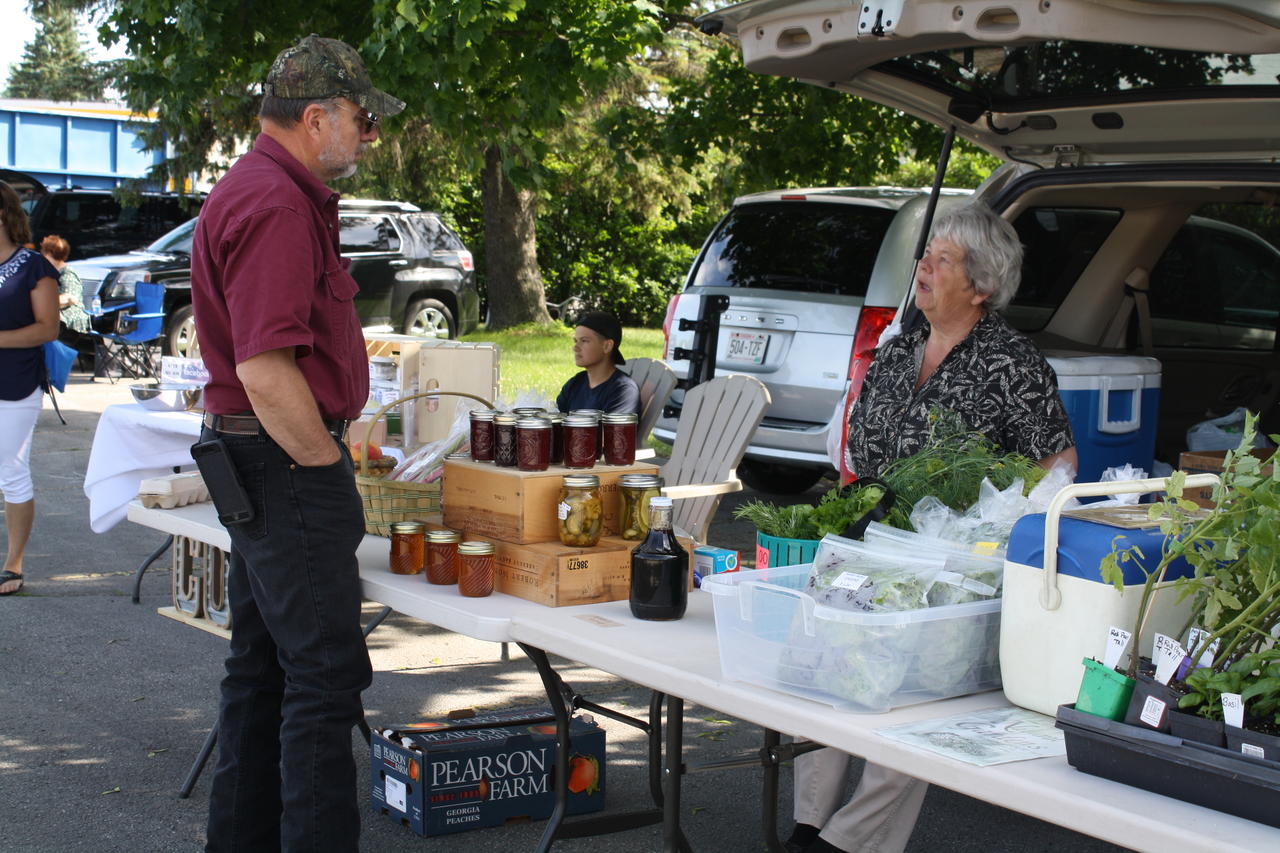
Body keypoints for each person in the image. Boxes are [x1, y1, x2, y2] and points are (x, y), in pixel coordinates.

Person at [789, 203, 1077, 853]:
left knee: (909, 707)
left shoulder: (1012, 362)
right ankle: (807, 824)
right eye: (927, 254)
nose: (924, 266)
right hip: (867, 546)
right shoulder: (897, 352)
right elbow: (856, 452)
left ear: (980, 285)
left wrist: (988, 530)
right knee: (830, 676)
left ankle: (849, 840)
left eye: (943, 259)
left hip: (946, 562)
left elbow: (1058, 463)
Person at [189, 34, 403, 852]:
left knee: (263, 668)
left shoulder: (265, 190)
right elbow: (265, 369)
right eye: (360, 118)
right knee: (322, 677)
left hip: (258, 459)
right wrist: (321, 461)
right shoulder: (276, 202)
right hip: (281, 463)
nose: (369, 135)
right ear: (316, 118)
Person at [0, 181, 61, 596]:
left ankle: (14, 564)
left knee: (11, 470)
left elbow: (47, 328)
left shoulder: (33, 266)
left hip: (15, 383)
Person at [556, 311, 640, 414]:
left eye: (584, 341)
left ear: (607, 346)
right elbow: (556, 417)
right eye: (576, 341)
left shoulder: (623, 391)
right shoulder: (575, 384)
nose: (575, 348)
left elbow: (615, 426)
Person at [40, 234, 93, 340]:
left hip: (70, 317)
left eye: (43, 251)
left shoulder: (67, 273)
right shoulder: (49, 272)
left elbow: (70, 298)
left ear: (48, 253)